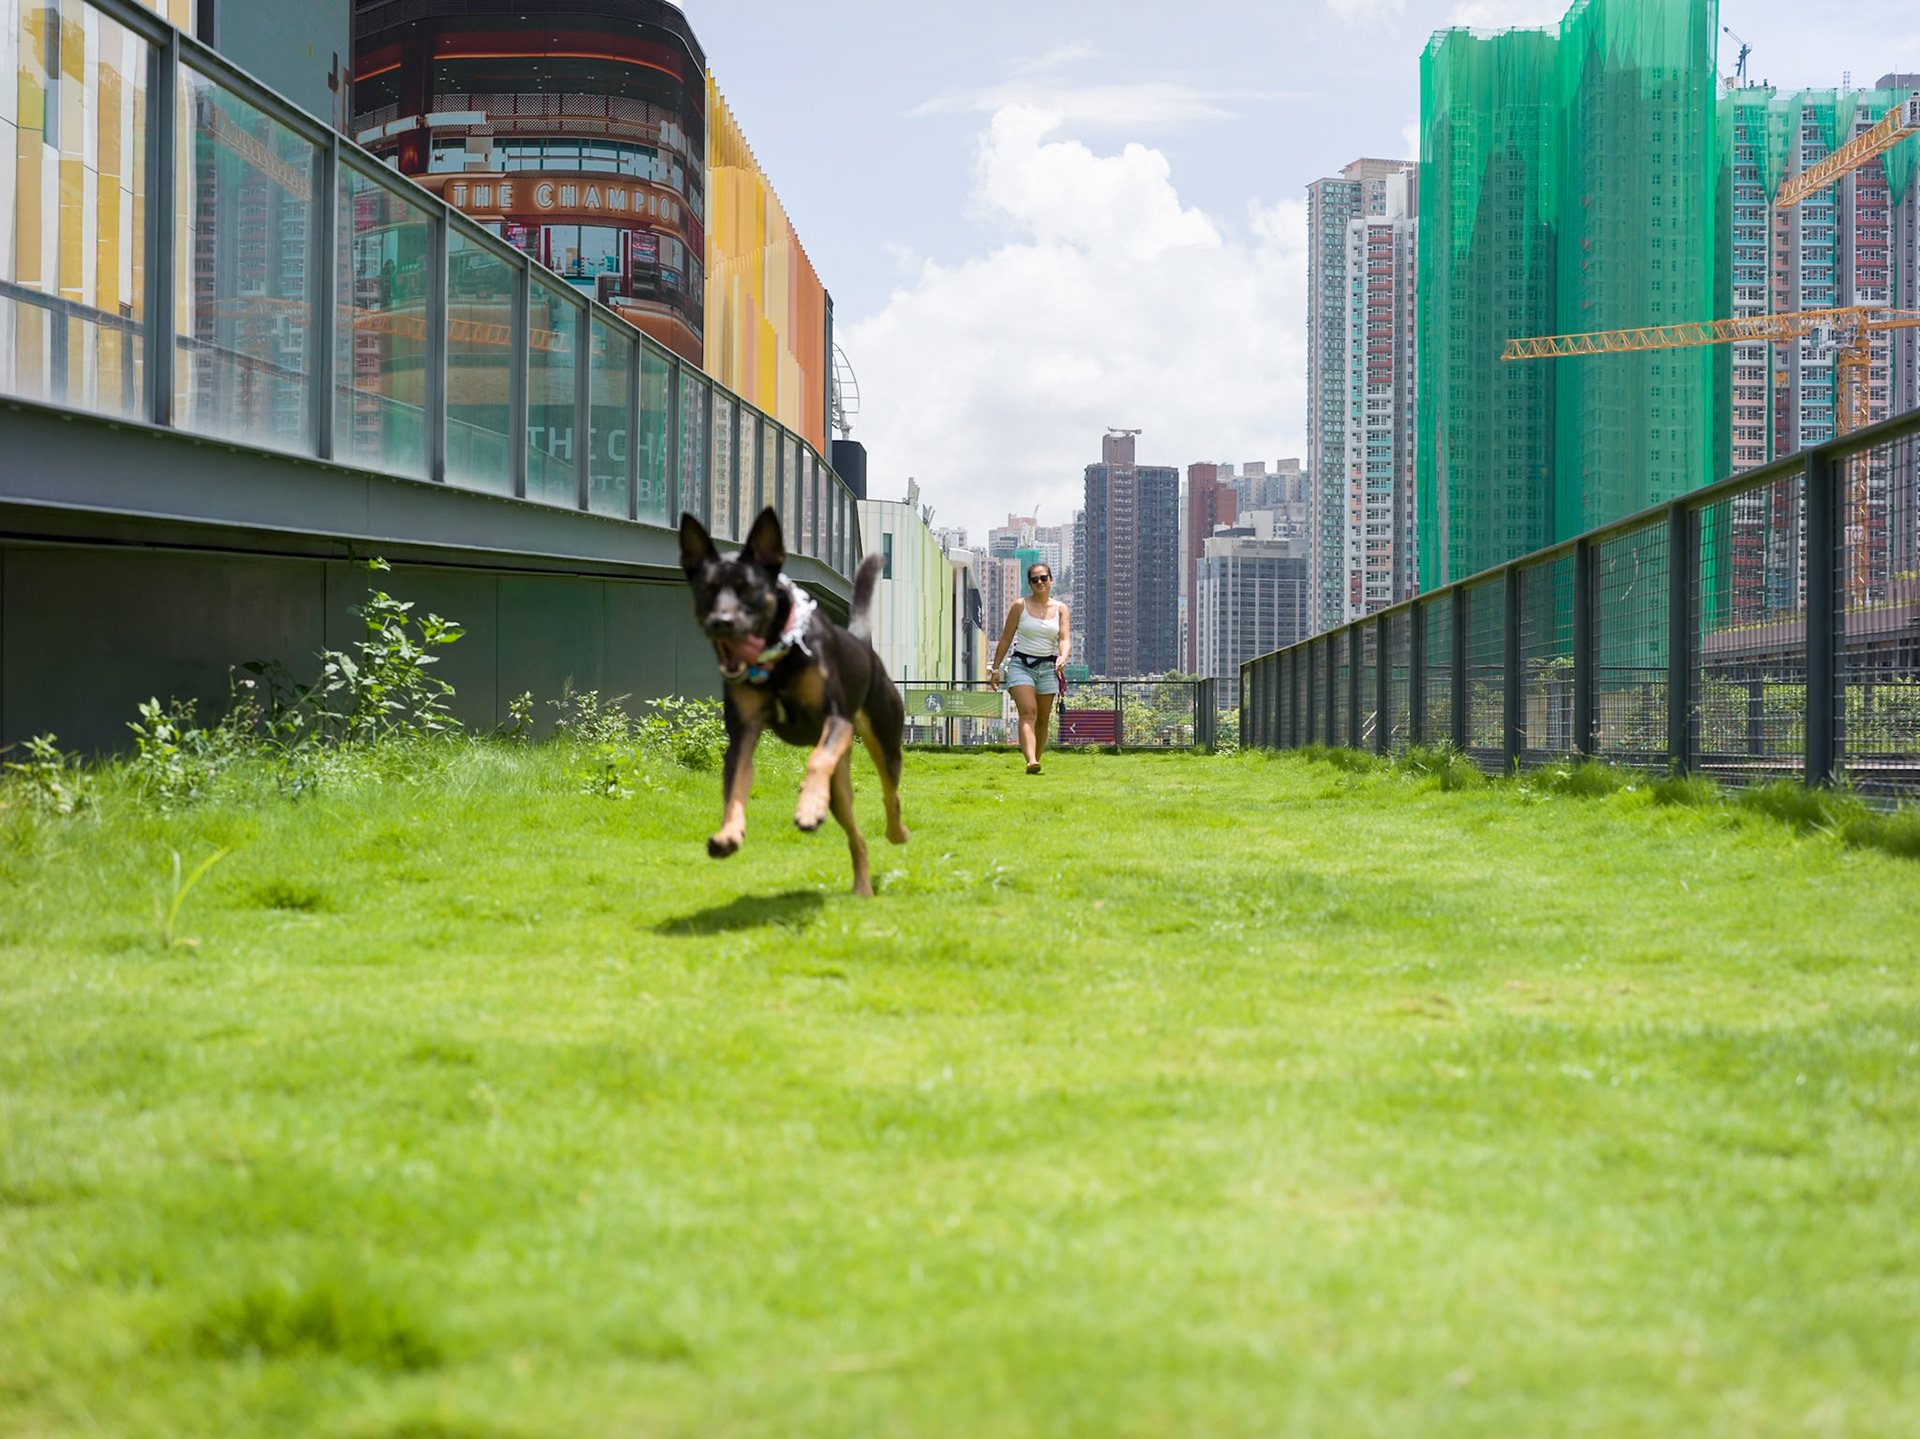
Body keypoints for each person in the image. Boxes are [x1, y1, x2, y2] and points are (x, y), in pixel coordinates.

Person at [988, 562, 1071, 774]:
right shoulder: (1020, 606)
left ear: (1051, 580)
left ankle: (1035, 760)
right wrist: (995, 669)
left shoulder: (1061, 609)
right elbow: (1006, 639)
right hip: (1021, 666)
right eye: (1035, 579)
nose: (1040, 582)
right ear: (1029, 584)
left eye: (1043, 578)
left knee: (1043, 720)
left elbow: (1064, 638)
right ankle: (1031, 760)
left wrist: (1063, 656)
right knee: (1028, 712)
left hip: (1047, 668)